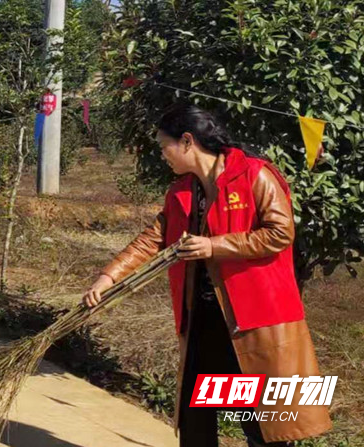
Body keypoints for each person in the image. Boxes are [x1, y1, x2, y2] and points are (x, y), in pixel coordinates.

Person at [82, 104, 331, 446]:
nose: (161, 154)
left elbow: (279, 233)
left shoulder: (254, 175)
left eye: (163, 145)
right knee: (195, 415)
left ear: (187, 141)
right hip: (203, 320)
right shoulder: (182, 191)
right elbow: (153, 238)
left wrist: (214, 247)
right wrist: (108, 277)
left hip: (252, 320)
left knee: (262, 421)